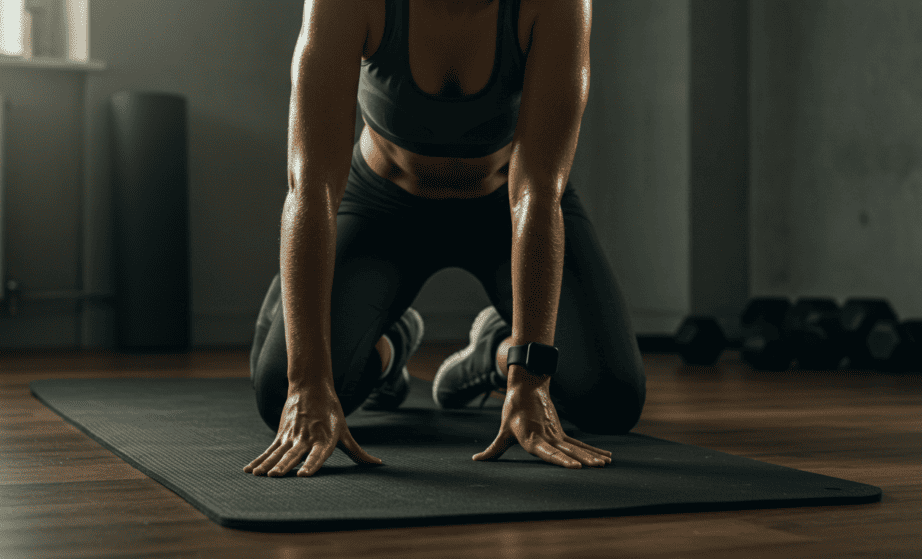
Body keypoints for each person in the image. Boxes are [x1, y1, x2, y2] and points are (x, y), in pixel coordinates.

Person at [243, 0, 645, 478]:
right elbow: (311, 188)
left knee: (610, 398)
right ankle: (388, 348)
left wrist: (529, 381)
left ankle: (496, 353)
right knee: (282, 395)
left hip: (507, 207)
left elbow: (536, 193)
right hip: (381, 210)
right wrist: (307, 383)